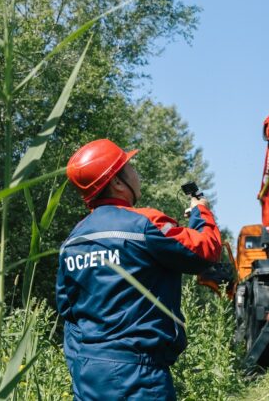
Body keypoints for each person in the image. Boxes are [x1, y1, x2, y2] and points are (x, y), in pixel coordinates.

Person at [56, 139, 222, 400]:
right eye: (130, 166)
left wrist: (81, 369)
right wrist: (201, 213)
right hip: (138, 377)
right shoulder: (145, 224)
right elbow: (204, 251)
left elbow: (69, 313)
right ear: (117, 182)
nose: (137, 173)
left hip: (88, 374)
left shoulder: (72, 241)